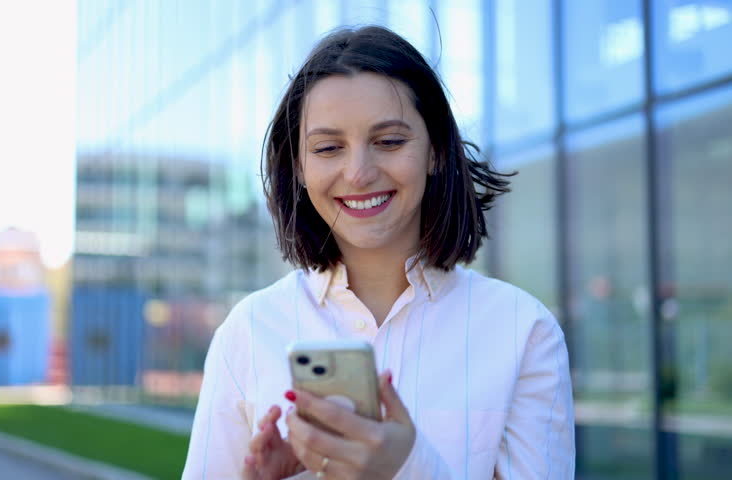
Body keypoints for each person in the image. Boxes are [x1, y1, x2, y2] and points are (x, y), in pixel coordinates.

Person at [182, 25, 574, 479]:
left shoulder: (522, 331)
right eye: (328, 148)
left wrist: (403, 468)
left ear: (436, 152)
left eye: (389, 141)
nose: (359, 172)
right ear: (301, 168)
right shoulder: (248, 330)